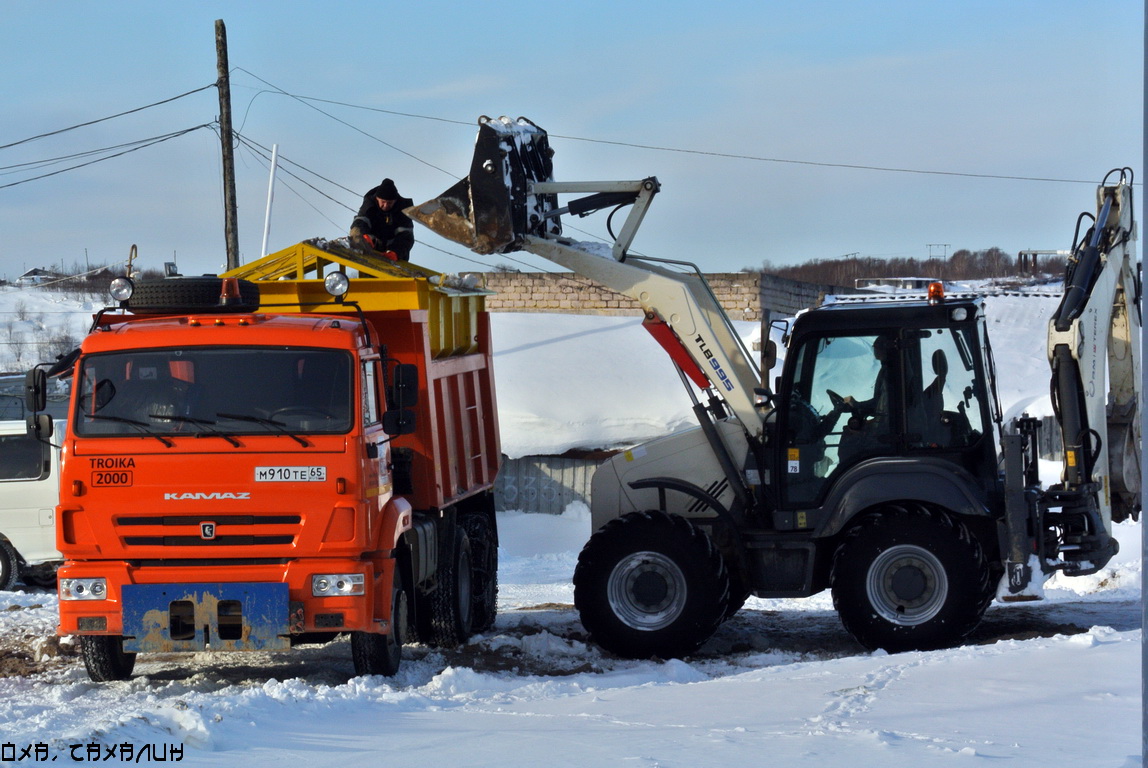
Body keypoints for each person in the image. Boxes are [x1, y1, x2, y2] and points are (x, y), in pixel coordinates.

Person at [349, 178, 414, 261]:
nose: (386, 205)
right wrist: (363, 236)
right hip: (370, 253)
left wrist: (396, 252)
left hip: (394, 257)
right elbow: (359, 223)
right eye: (383, 202)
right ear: (377, 198)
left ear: (395, 201)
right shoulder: (368, 207)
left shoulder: (404, 211)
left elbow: (406, 237)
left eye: (389, 203)